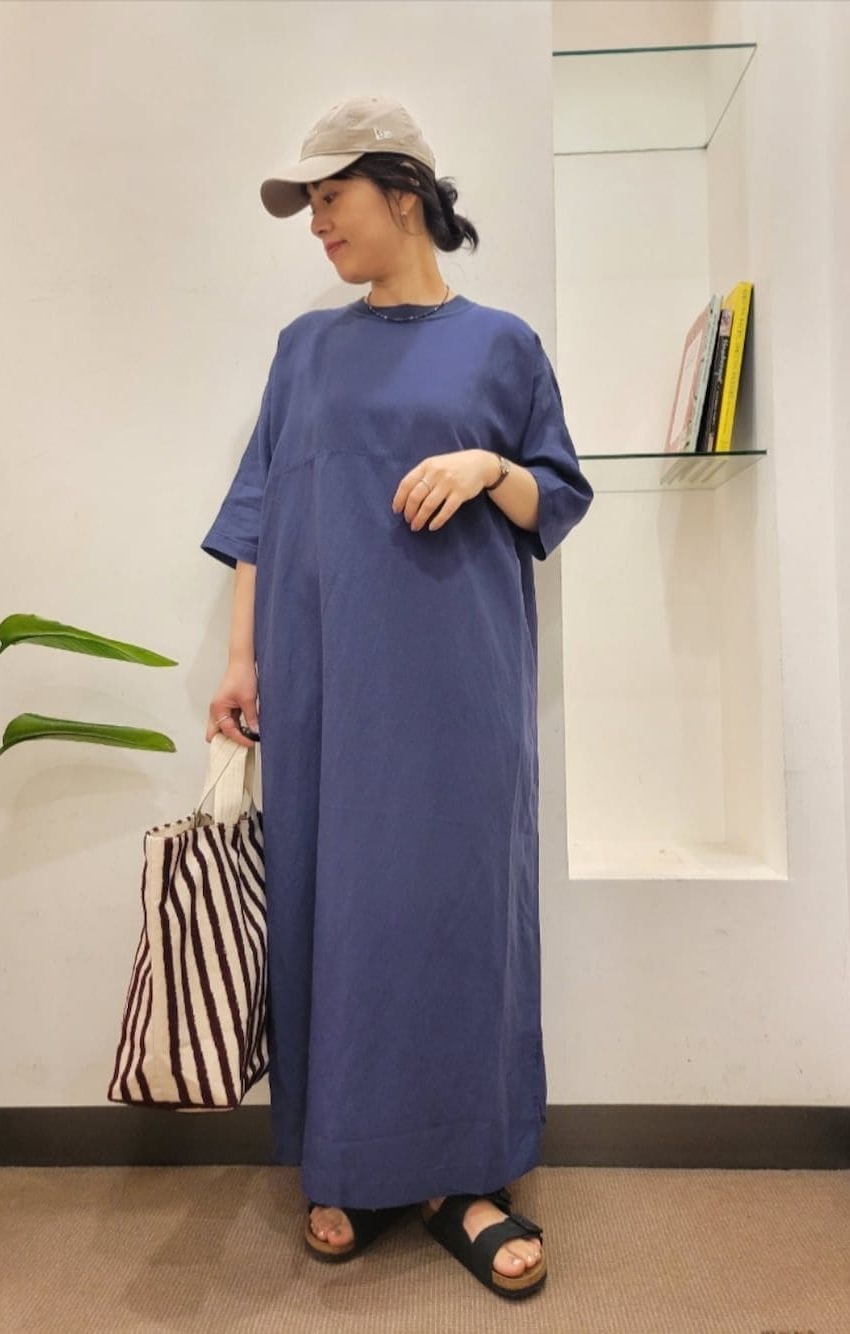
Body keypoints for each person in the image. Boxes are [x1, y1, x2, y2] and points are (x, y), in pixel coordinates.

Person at [201, 95, 593, 1301]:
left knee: (457, 918)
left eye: (332, 198)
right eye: (309, 206)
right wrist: (242, 660)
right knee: (340, 915)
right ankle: (352, 1162)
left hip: (460, 689)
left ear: (404, 194)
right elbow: (259, 509)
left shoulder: (503, 345)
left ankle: (466, 1178)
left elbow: (556, 495)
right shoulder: (304, 350)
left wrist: (488, 466)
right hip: (328, 683)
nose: (317, 223)